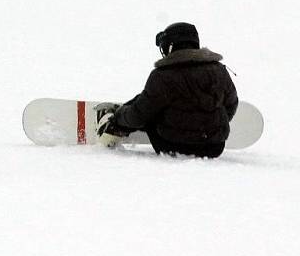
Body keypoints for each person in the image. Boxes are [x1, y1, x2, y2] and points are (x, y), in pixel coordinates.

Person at [96, 22, 238, 158]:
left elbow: (140, 116)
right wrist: (212, 123)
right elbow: (231, 104)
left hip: (172, 145)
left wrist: (120, 117)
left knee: (149, 106)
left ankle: (114, 127)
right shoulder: (219, 70)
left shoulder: (163, 76)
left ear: (170, 46)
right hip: (215, 147)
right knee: (152, 101)